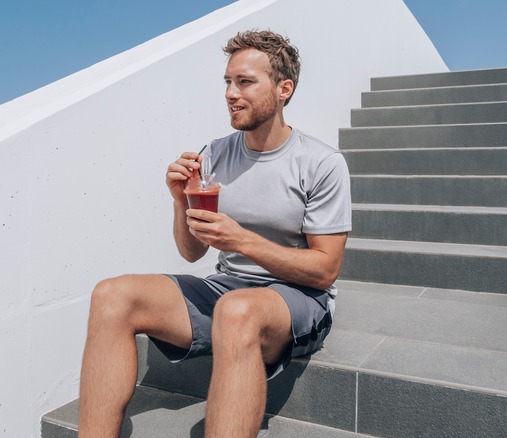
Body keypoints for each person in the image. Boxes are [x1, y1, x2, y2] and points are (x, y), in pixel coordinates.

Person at [78, 30, 352, 438]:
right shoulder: (215, 155)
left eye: (245, 82)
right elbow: (191, 253)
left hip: (297, 298)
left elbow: (325, 271)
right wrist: (179, 201)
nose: (230, 93)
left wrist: (241, 240)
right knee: (111, 295)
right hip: (227, 289)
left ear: (283, 89)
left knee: (237, 310)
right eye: (227, 81)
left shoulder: (321, 163)